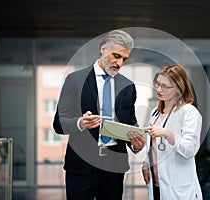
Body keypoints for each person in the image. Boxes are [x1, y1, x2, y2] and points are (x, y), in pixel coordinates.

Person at [53, 29, 145, 200]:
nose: (120, 63)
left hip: (114, 167)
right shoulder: (75, 80)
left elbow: (131, 123)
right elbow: (59, 123)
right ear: (103, 49)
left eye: (124, 59)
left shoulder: (128, 86)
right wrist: (80, 123)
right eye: (116, 56)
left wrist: (136, 143)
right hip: (81, 167)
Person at [142, 64, 203, 199]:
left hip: (178, 190)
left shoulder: (189, 112)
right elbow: (153, 146)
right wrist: (146, 163)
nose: (158, 89)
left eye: (165, 86)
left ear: (178, 88)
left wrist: (167, 133)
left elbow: (189, 150)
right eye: (157, 84)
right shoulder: (155, 113)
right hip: (157, 187)